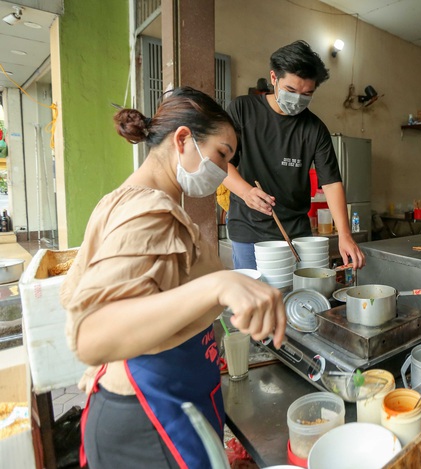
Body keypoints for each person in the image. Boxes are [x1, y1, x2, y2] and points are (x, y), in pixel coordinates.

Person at [60, 87, 286, 469]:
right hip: (149, 421)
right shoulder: (148, 211)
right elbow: (89, 333)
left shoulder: (126, 199)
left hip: (163, 401)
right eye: (221, 155)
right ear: (183, 139)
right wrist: (217, 285)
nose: (222, 171)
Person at [224, 40, 364, 270]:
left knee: (299, 297)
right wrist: (245, 191)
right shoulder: (242, 109)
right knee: (256, 301)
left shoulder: (314, 129)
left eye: (307, 93)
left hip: (297, 233)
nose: (298, 99)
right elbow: (220, 163)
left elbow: (331, 183)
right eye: (291, 90)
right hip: (248, 230)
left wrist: (345, 235)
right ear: (273, 78)